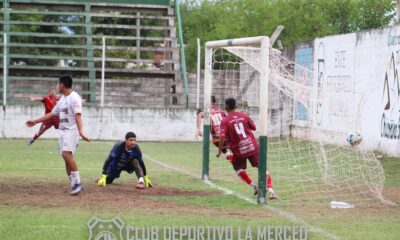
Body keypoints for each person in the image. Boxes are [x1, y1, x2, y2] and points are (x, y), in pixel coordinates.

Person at [26, 75, 90, 195]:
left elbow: (78, 115)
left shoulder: (74, 97)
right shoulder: (62, 99)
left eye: (58, 84)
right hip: (62, 131)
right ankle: (73, 185)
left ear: (62, 85)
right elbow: (52, 113)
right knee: (65, 158)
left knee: (66, 155)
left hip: (72, 131)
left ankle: (78, 183)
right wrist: (35, 121)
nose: (57, 86)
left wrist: (81, 131)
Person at [217, 98, 277, 199]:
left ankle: (254, 186)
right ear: (235, 106)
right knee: (262, 168)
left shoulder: (225, 120)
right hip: (252, 146)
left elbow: (222, 136)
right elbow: (254, 127)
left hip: (239, 150)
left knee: (237, 169)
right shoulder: (244, 115)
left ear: (226, 107)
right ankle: (271, 191)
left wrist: (219, 150)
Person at [197, 96, 233, 160]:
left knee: (217, 142)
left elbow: (199, 115)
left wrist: (198, 129)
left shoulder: (207, 111)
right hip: (226, 133)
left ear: (208, 101)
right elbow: (227, 118)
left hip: (217, 136)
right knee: (232, 150)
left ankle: (231, 157)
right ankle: (230, 156)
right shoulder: (219, 110)